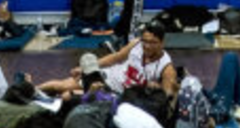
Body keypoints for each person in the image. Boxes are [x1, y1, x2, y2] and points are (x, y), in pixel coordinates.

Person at [44, 22, 175, 97]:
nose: (147, 46)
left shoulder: (166, 69)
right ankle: (33, 91)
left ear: (162, 42)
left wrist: (156, 89)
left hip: (116, 95)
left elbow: (165, 101)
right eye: (145, 41)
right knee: (60, 86)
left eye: (152, 42)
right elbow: (115, 57)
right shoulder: (136, 44)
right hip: (107, 77)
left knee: (67, 95)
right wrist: (85, 68)